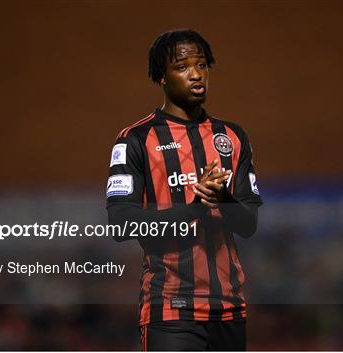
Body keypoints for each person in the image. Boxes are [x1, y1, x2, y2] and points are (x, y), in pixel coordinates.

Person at [106, 29, 262, 351]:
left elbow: (248, 224)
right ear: (162, 77)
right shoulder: (135, 140)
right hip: (170, 308)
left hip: (228, 308)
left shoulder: (232, 137)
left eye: (201, 65)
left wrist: (222, 198)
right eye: (182, 67)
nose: (195, 75)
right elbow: (121, 223)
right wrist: (195, 209)